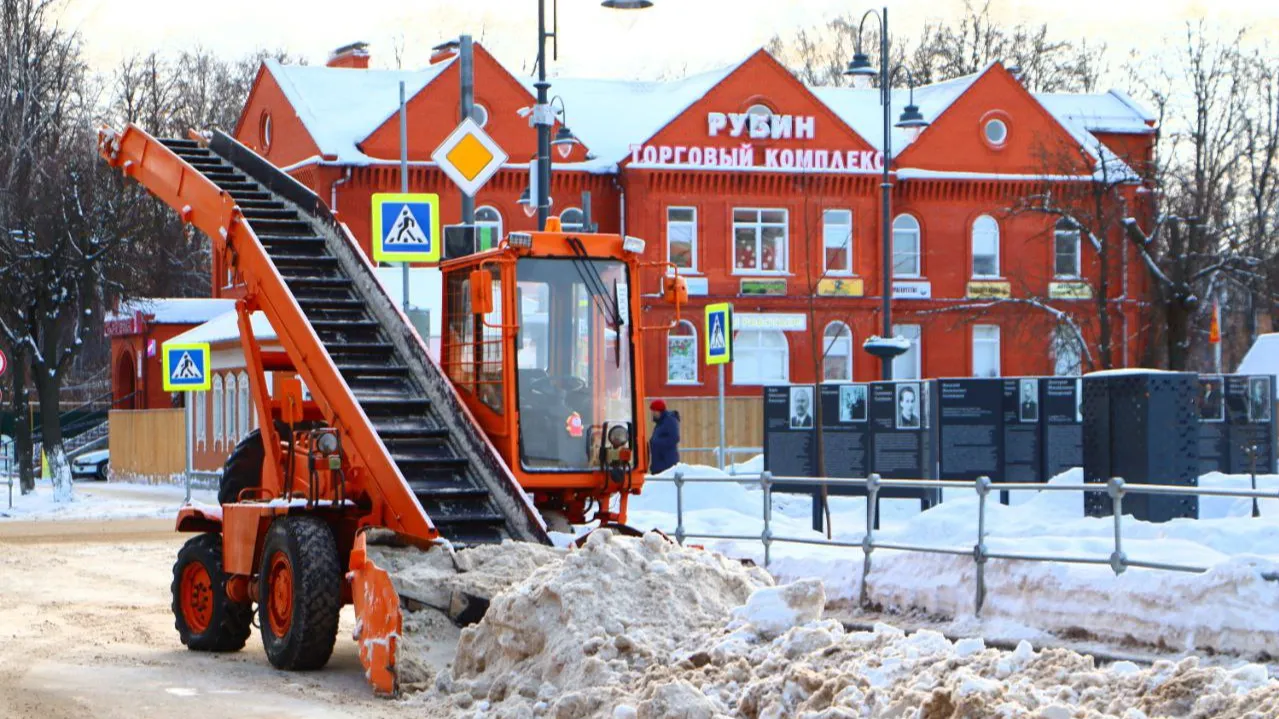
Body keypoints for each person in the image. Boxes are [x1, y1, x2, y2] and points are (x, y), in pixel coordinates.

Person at [648, 399, 681, 475]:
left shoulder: (669, 421)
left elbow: (674, 438)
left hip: (666, 465)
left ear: (659, 411)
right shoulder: (660, 423)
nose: (652, 414)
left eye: (654, 411)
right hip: (659, 464)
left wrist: (655, 442)